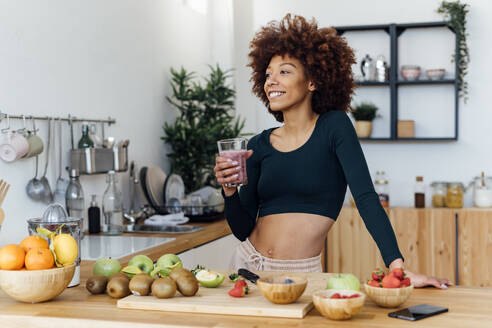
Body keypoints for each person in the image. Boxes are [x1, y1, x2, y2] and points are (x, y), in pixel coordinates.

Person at [214, 14, 450, 289]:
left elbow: (365, 198)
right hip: (248, 266)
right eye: (268, 74)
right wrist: (229, 192)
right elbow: (242, 229)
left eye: (284, 71)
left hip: (303, 274)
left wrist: (398, 269)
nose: (271, 81)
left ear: (313, 81)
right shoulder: (257, 146)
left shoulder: (334, 127)